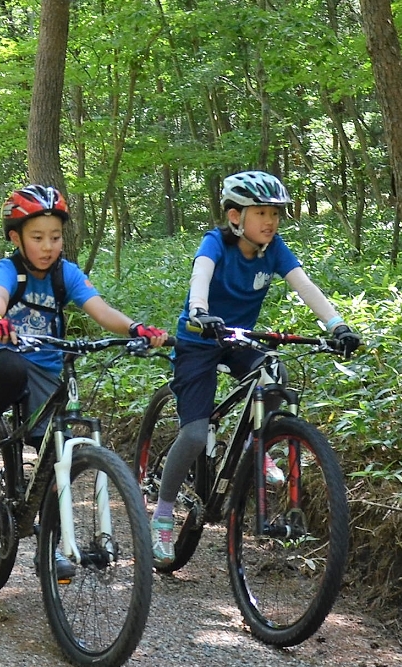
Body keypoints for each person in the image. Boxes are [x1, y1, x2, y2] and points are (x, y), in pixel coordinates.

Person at [153, 171, 360, 563]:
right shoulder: (215, 243)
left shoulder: (274, 249)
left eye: (275, 214)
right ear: (235, 217)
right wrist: (200, 311)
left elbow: (305, 285)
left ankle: (257, 443)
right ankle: (162, 514)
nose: (270, 221)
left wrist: (337, 325)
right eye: (260, 212)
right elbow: (201, 274)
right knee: (196, 435)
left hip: (239, 341)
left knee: (273, 371)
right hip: (200, 339)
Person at [0, 185, 169, 492]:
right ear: (16, 238)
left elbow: (100, 309)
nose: (48, 246)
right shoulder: (8, 270)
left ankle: (52, 529)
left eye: (55, 237)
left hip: (46, 369)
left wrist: (135, 329)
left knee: (54, 448)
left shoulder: (66, 274)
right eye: (37, 238)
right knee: (11, 369)